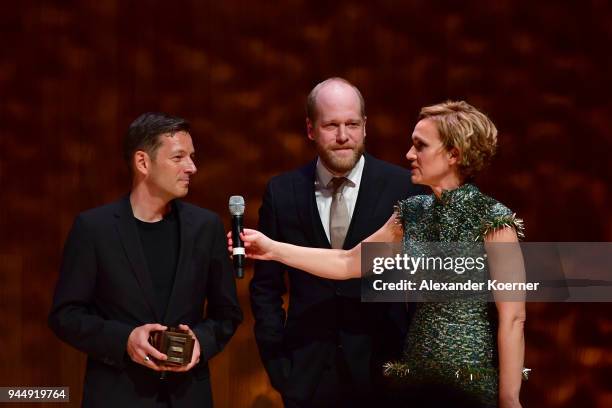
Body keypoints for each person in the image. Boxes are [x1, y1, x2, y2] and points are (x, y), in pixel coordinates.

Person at [234, 101, 526, 408]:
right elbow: (348, 262)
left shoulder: (493, 220)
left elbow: (513, 318)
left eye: (420, 146)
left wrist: (509, 398)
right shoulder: (411, 214)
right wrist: (272, 248)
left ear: (454, 155)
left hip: (470, 380)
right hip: (417, 376)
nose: (409, 155)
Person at [49, 112, 243, 408]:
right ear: (143, 162)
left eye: (192, 157)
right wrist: (125, 339)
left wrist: (199, 343)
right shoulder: (94, 229)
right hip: (118, 397)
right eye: (179, 157)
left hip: (188, 397)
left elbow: (227, 314)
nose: (192, 167)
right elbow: (66, 315)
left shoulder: (206, 227)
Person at [250, 77, 422, 407]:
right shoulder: (282, 192)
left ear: (365, 127)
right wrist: (278, 363)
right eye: (331, 125)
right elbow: (266, 288)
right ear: (311, 129)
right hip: (307, 372)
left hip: (384, 372)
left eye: (352, 124)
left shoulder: (403, 187)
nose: (344, 136)